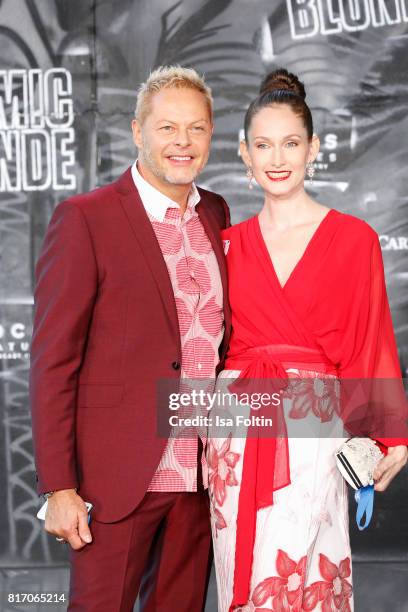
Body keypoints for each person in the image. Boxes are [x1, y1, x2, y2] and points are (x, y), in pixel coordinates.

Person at [30, 65, 231, 611]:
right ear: (137, 132)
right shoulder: (85, 219)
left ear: (212, 135)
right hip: (114, 482)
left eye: (196, 128)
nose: (182, 143)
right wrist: (59, 487)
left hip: (198, 476)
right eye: (166, 128)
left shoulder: (216, 212)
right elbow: (53, 362)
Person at [207, 68, 408, 612]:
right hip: (235, 429)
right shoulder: (224, 246)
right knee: (239, 578)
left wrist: (392, 437)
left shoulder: (354, 239)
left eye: (290, 143)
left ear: (313, 148)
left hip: (315, 425)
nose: (277, 158)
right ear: (244, 153)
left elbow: (371, 340)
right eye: (263, 145)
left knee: (306, 575)